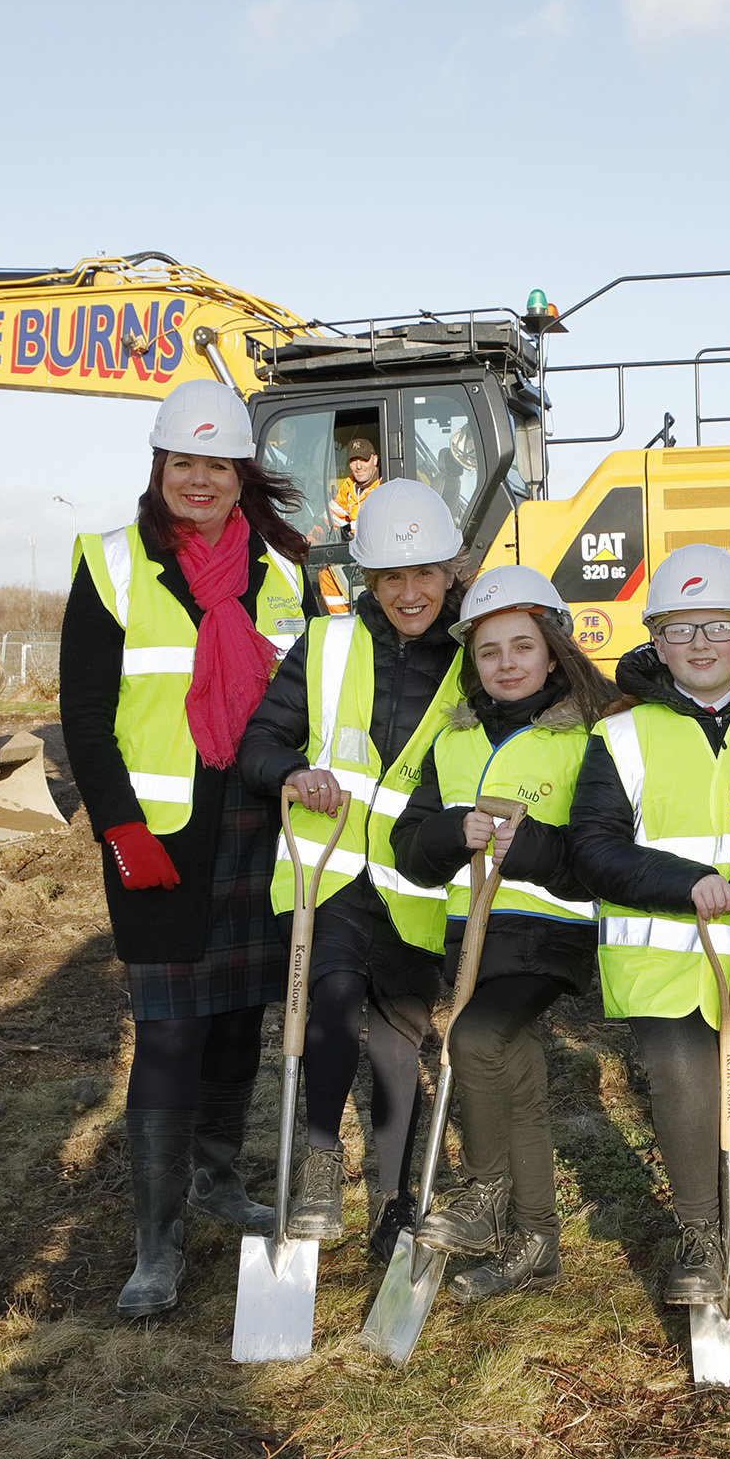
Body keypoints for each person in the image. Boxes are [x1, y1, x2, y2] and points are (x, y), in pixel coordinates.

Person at [60, 379, 314, 1319]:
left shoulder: (284, 573)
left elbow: (319, 699)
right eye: (183, 463)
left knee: (241, 1019)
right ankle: (155, 1247)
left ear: (240, 473)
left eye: (217, 465)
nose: (199, 480)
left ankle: (217, 1179)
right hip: (160, 837)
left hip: (262, 830)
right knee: (169, 1035)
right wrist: (121, 830)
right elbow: (84, 718)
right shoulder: (113, 563)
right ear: (159, 469)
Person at [568, 545, 730, 1305]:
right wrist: (693, 886)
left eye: (718, 626)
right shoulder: (622, 735)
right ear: (655, 642)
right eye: (680, 630)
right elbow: (595, 847)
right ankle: (702, 1233)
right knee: (682, 1083)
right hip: (657, 957)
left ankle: (723, 1207)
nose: (701, 644)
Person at [240, 477, 466, 1262]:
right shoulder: (328, 644)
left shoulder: (475, 666)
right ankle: (315, 1163)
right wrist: (291, 775)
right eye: (393, 577)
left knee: (401, 1041)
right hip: (323, 871)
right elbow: (259, 743)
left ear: (451, 571)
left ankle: (398, 1200)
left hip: (414, 884)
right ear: (370, 579)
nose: (411, 593)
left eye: (425, 575)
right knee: (330, 1002)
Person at [391, 566, 621, 1301]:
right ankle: (535, 1248)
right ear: (473, 660)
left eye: (523, 646)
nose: (507, 664)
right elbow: (410, 853)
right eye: (490, 652)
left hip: (550, 934)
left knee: (476, 1040)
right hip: (473, 938)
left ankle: (486, 1191)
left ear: (553, 652)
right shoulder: (452, 742)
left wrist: (531, 848)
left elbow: (599, 858)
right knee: (513, 1076)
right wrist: (451, 832)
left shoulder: (591, 738)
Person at [331, 437, 381, 532]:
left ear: (375, 460)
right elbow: (331, 520)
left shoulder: (384, 486)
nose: (358, 466)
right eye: (353, 460)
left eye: (363, 459)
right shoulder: (348, 486)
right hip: (353, 544)